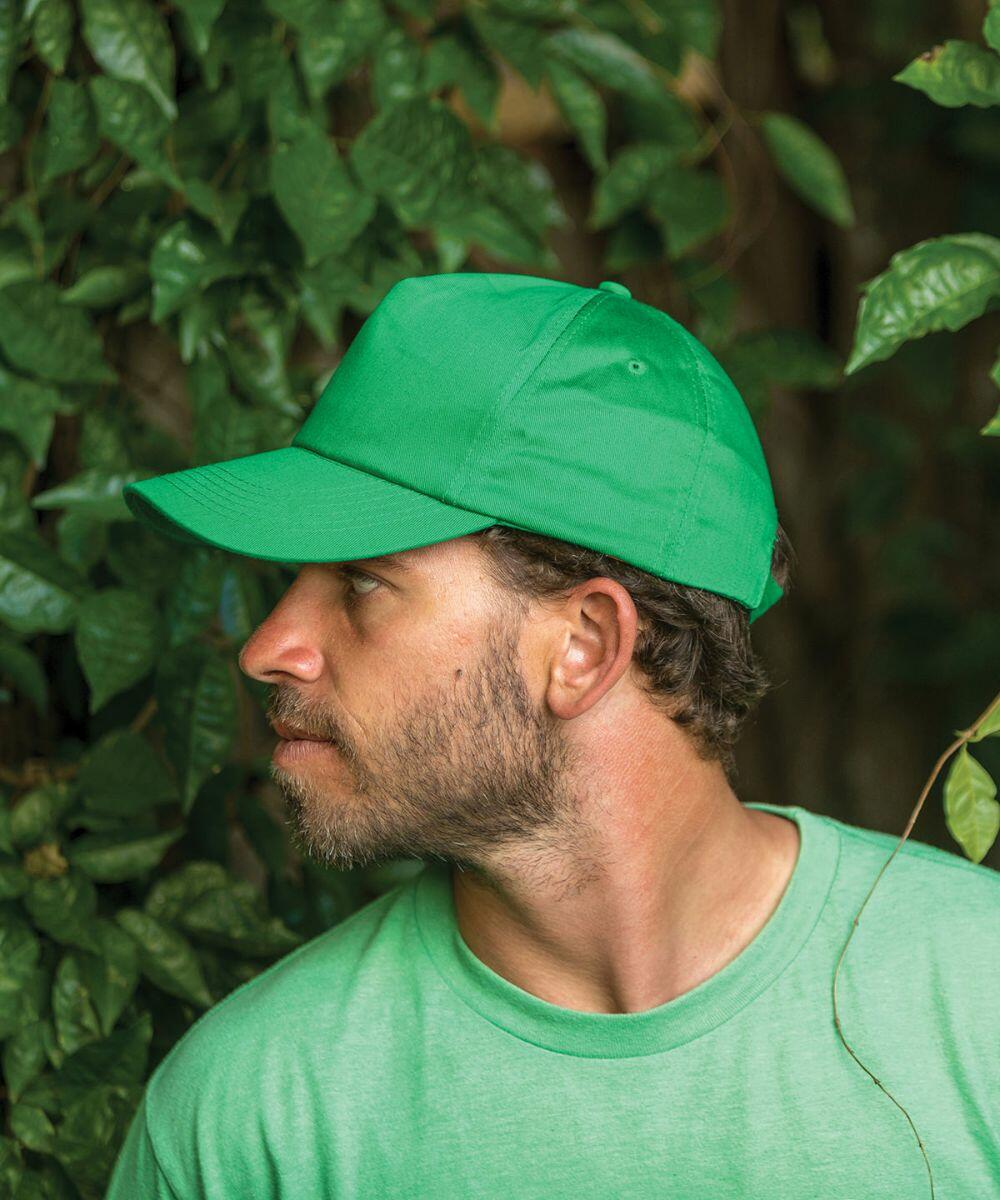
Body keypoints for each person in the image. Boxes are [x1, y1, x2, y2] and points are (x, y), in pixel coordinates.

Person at [105, 273, 998, 1199]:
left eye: (362, 581)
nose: (267, 649)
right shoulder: (246, 1123)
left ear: (584, 646)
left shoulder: (977, 1007)